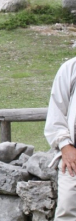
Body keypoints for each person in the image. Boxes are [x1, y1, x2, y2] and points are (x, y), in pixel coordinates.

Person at [44, 57, 76, 219]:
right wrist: (65, 146)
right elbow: (56, 113)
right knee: (68, 210)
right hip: (73, 157)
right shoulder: (70, 69)